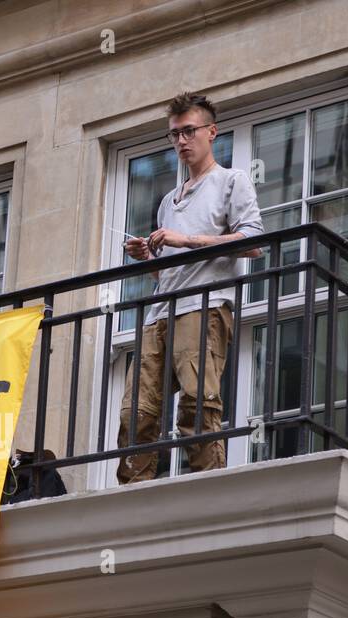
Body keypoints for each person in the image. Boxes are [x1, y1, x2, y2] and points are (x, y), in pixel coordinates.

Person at [116, 91, 263, 483]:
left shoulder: (231, 180)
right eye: (174, 135)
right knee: (136, 411)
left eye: (189, 131)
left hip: (205, 304)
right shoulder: (168, 200)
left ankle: (210, 490)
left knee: (197, 405)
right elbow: (168, 274)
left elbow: (253, 242)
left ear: (211, 132)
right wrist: (148, 257)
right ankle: (132, 494)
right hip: (161, 311)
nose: (181, 141)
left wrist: (188, 241)